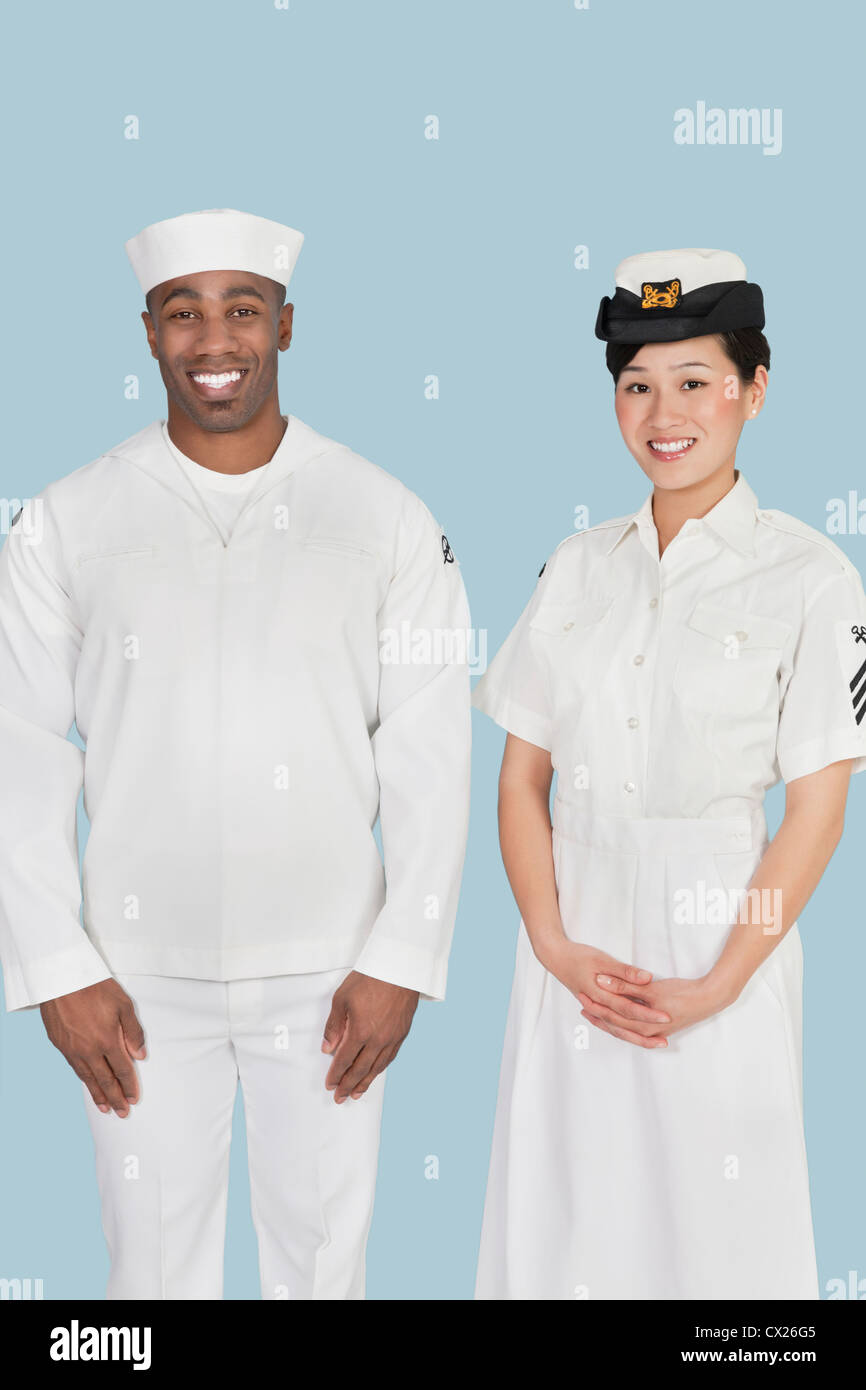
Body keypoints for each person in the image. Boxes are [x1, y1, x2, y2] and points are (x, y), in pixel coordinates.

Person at [0, 207, 472, 1300]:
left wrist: (403, 954)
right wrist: (57, 968)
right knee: (149, 1282)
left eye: (242, 311)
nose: (214, 342)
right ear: (150, 334)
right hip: (131, 979)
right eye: (184, 314)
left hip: (331, 975)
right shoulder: (64, 522)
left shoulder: (384, 513)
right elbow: (18, 747)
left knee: (323, 1272)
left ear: (286, 327)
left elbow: (431, 750)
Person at [470, 247, 866, 1300]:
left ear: (753, 389)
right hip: (574, 946)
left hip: (722, 933)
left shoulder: (811, 579)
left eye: (693, 380)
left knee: (720, 1242)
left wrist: (720, 981)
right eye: (635, 383)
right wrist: (552, 943)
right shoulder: (575, 566)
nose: (661, 412)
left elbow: (815, 811)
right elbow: (519, 780)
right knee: (562, 1226)